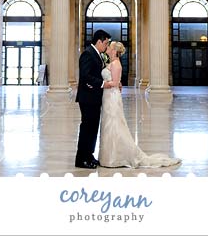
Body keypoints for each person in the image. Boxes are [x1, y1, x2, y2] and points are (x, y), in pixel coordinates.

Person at [98, 41, 182, 169]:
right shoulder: (111, 63)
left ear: (114, 51)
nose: (107, 48)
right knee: (108, 124)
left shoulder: (116, 64)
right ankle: (109, 155)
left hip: (112, 97)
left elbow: (114, 83)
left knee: (114, 124)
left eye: (109, 46)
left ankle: (115, 157)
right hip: (108, 96)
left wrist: (102, 84)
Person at [74, 30, 115, 169]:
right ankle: (81, 159)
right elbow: (85, 76)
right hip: (87, 98)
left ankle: (89, 155)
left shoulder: (97, 54)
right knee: (87, 128)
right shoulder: (88, 54)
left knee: (92, 128)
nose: (106, 46)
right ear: (99, 41)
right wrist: (104, 84)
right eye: (106, 43)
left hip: (94, 98)